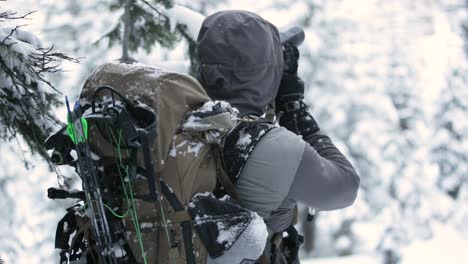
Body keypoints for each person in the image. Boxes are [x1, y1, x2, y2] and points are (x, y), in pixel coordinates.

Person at [195, 10, 360, 263]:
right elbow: (345, 187)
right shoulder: (272, 147)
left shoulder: (175, 122)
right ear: (267, 73)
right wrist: (296, 111)